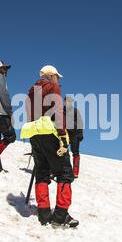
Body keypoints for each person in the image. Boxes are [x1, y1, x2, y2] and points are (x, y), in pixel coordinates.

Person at [22, 65, 78, 228]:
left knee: (42, 172)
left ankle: (44, 212)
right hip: (50, 132)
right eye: (57, 77)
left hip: (34, 133)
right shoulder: (52, 87)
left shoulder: (30, 93)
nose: (58, 80)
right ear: (51, 75)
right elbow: (58, 111)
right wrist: (62, 135)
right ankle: (60, 215)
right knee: (64, 173)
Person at [64, 96, 84, 178]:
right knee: (61, 151)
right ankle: (58, 170)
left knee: (75, 152)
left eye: (70, 101)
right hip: (64, 133)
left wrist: (80, 133)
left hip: (75, 134)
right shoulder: (61, 111)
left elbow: (80, 122)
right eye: (66, 101)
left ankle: (75, 172)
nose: (68, 103)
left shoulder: (75, 111)